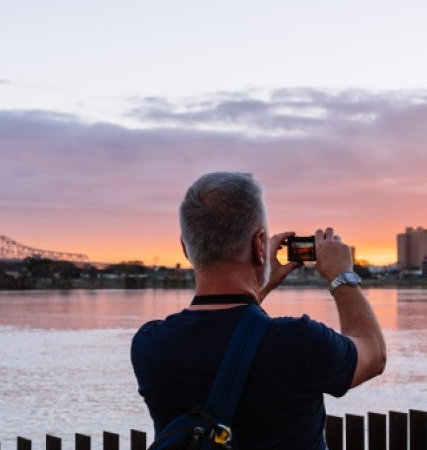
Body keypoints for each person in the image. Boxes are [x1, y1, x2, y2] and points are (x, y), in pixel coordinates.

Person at [132, 172, 386, 449]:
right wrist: (342, 276)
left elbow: (228, 332)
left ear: (185, 248)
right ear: (259, 244)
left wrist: (260, 287)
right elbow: (373, 354)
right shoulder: (299, 341)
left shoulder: (150, 345)